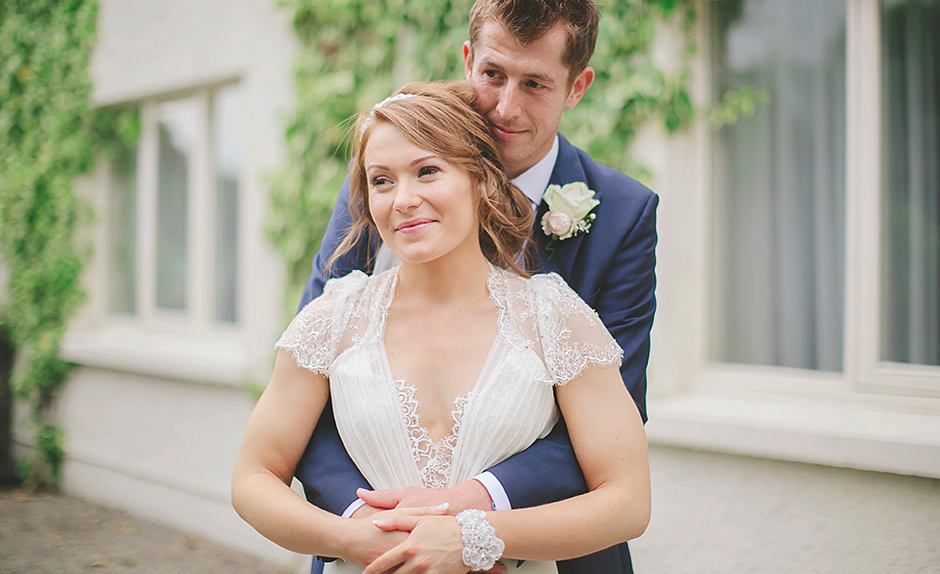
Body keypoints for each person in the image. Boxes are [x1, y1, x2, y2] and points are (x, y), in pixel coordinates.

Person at [296, 0, 658, 574]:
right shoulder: (388, 178)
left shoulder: (622, 214)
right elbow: (311, 371)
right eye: (493, 74)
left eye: (536, 84)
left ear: (578, 86)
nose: (505, 106)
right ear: (468, 59)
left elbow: (618, 409)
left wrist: (470, 517)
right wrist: (372, 523)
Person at [232, 81, 650, 574]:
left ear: (483, 181)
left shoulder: (555, 318)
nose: (404, 199)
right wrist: (351, 538)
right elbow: (252, 477)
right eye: (381, 181)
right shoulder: (333, 317)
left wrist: (473, 537)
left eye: (427, 172)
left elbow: (627, 501)